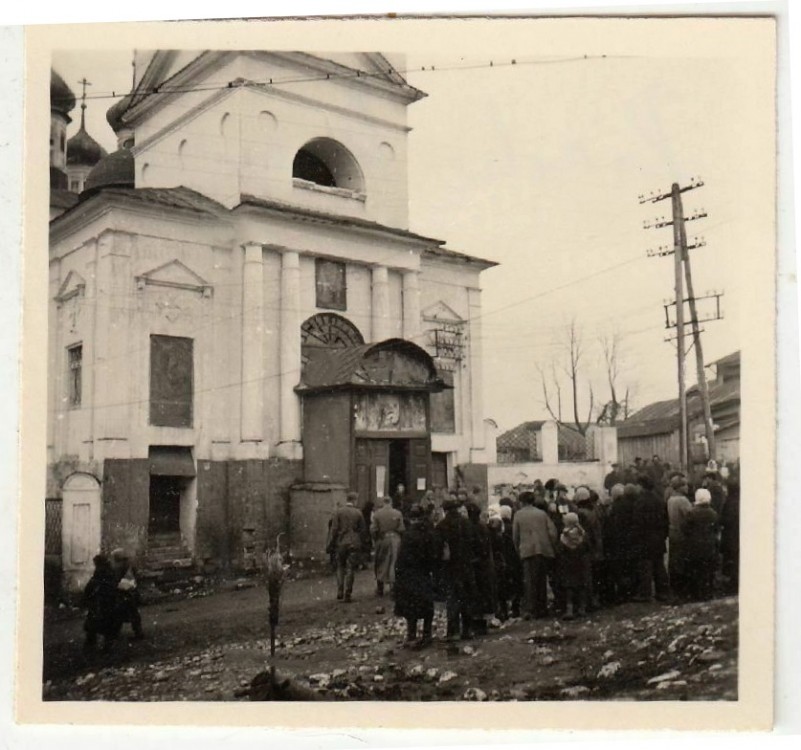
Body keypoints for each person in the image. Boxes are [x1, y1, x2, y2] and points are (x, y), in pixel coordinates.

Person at [394, 504, 439, 648]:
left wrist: (398, 574)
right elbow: (433, 555)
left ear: (412, 519)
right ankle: (427, 634)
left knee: (410, 606)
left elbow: (401, 558)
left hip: (409, 574)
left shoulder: (407, 535)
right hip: (424, 573)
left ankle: (411, 635)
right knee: (427, 605)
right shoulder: (429, 533)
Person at [512, 491, 558, 620]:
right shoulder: (542, 514)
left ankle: (531, 610)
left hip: (527, 551)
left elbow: (515, 536)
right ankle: (542, 608)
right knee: (541, 580)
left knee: (529, 582)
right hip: (543, 550)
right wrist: (551, 546)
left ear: (522, 502)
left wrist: (518, 549)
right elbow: (552, 532)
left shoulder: (518, 515)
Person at [435, 497, 476, 641]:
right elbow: (473, 543)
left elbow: (437, 549)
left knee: (452, 599)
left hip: (449, 567)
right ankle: (467, 629)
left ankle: (453, 631)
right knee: (466, 597)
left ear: (445, 510)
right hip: (465, 566)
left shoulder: (441, 525)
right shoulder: (466, 523)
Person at [630, 475, 670, 602]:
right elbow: (665, 520)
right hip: (658, 538)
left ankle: (645, 594)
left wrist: (635, 537)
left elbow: (637, 522)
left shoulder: (640, 501)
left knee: (645, 567)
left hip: (644, 539)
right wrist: (663, 535)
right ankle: (662, 592)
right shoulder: (659, 499)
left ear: (641, 486)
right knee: (659, 566)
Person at [327, 492, 366, 602]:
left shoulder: (338, 512)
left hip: (341, 542)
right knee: (350, 568)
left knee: (340, 566)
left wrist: (332, 542)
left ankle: (340, 590)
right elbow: (363, 530)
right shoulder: (358, 513)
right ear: (355, 500)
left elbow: (334, 529)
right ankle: (347, 593)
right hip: (354, 542)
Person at [683, 488, 720, 601]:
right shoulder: (713, 513)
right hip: (709, 545)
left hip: (694, 546)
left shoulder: (691, 513)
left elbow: (684, 528)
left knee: (695, 570)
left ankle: (695, 594)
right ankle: (707, 593)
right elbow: (716, 529)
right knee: (708, 571)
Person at [465, 502, 496, 635]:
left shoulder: (469, 528)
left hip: (474, 565)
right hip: (484, 565)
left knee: (474, 594)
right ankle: (482, 624)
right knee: (483, 594)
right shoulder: (482, 527)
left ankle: (475, 624)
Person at [555, 512, 592, 619]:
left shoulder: (564, 536)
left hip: (568, 564)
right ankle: (582, 608)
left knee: (569, 588)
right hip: (581, 563)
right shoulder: (582, 534)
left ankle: (569, 609)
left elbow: (559, 550)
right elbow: (588, 547)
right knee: (581, 586)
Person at [83, 553, 121, 652]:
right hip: (108, 600)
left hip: (102, 601)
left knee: (95, 622)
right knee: (106, 623)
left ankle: (93, 643)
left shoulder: (101, 571)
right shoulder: (110, 570)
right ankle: (105, 644)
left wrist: (87, 595)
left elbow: (93, 585)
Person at [574, 486, 603, 610]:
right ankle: (594, 600)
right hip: (596, 545)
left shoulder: (581, 513)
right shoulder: (594, 510)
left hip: (587, 547)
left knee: (586, 575)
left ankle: (589, 602)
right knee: (594, 575)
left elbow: (583, 532)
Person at [370, 495, 405, 597]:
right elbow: (402, 528)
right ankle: (393, 587)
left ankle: (380, 587)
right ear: (391, 502)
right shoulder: (398, 513)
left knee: (380, 561)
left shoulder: (377, 514)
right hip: (395, 539)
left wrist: (376, 539)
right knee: (394, 562)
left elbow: (373, 529)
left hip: (382, 539)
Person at [666, 475, 694, 601]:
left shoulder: (670, 499)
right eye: (685, 485)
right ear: (680, 487)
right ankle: (684, 589)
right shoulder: (683, 500)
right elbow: (690, 516)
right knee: (683, 560)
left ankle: (674, 586)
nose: (687, 487)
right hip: (682, 533)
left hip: (672, 532)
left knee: (674, 559)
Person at [110, 548, 144, 640]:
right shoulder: (130, 565)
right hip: (132, 592)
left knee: (118, 614)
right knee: (134, 614)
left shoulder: (117, 567)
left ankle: (114, 634)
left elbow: (115, 580)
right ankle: (138, 632)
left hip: (122, 593)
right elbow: (137, 577)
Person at [719, 481, 740, 594]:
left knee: (732, 557)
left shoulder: (730, 502)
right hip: (738, 535)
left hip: (730, 535)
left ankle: (733, 582)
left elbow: (724, 519)